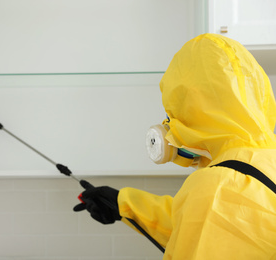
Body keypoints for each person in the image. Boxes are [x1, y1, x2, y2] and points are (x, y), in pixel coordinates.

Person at [73, 33, 276, 259]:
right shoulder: (263, 163)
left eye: (173, 113)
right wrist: (123, 203)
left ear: (193, 110)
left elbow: (210, 218)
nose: (169, 126)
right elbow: (196, 224)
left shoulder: (218, 187)